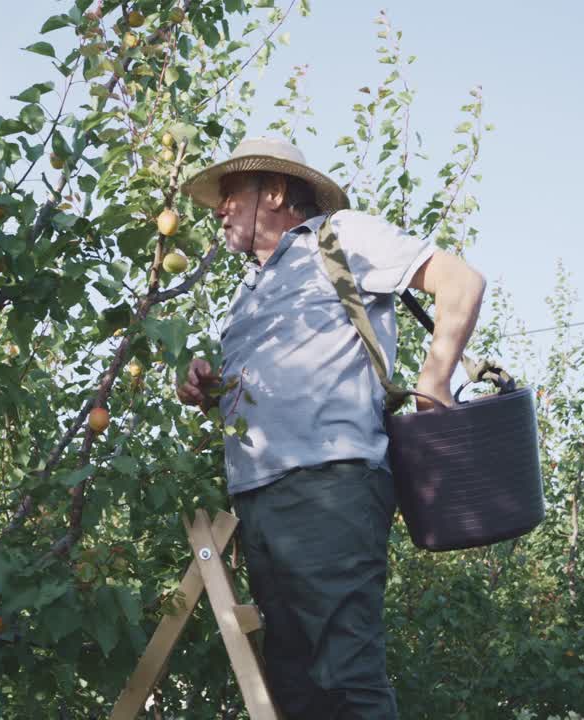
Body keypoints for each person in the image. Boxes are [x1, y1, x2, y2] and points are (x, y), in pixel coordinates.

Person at [174, 137, 486, 719]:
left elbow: (461, 281)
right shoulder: (246, 293)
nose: (219, 208)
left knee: (345, 675)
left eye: (231, 193)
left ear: (274, 191)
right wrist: (207, 389)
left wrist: (435, 377)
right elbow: (271, 392)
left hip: (329, 485)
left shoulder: (339, 236)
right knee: (294, 687)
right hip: (259, 498)